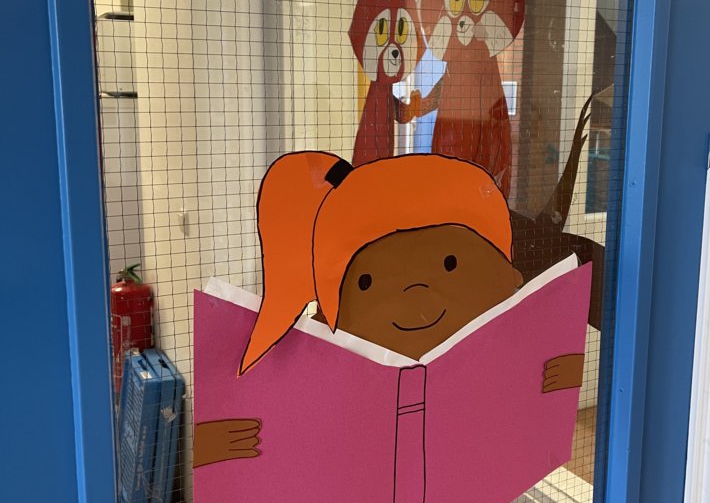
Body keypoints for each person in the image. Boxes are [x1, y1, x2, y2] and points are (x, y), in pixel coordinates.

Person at [193, 152, 584, 468]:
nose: (414, 295)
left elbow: (514, 407)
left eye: (450, 264)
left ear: (510, 277)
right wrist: (222, 450)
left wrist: (555, 379)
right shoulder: (330, 374)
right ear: (330, 314)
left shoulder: (496, 353)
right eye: (367, 282)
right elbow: (295, 427)